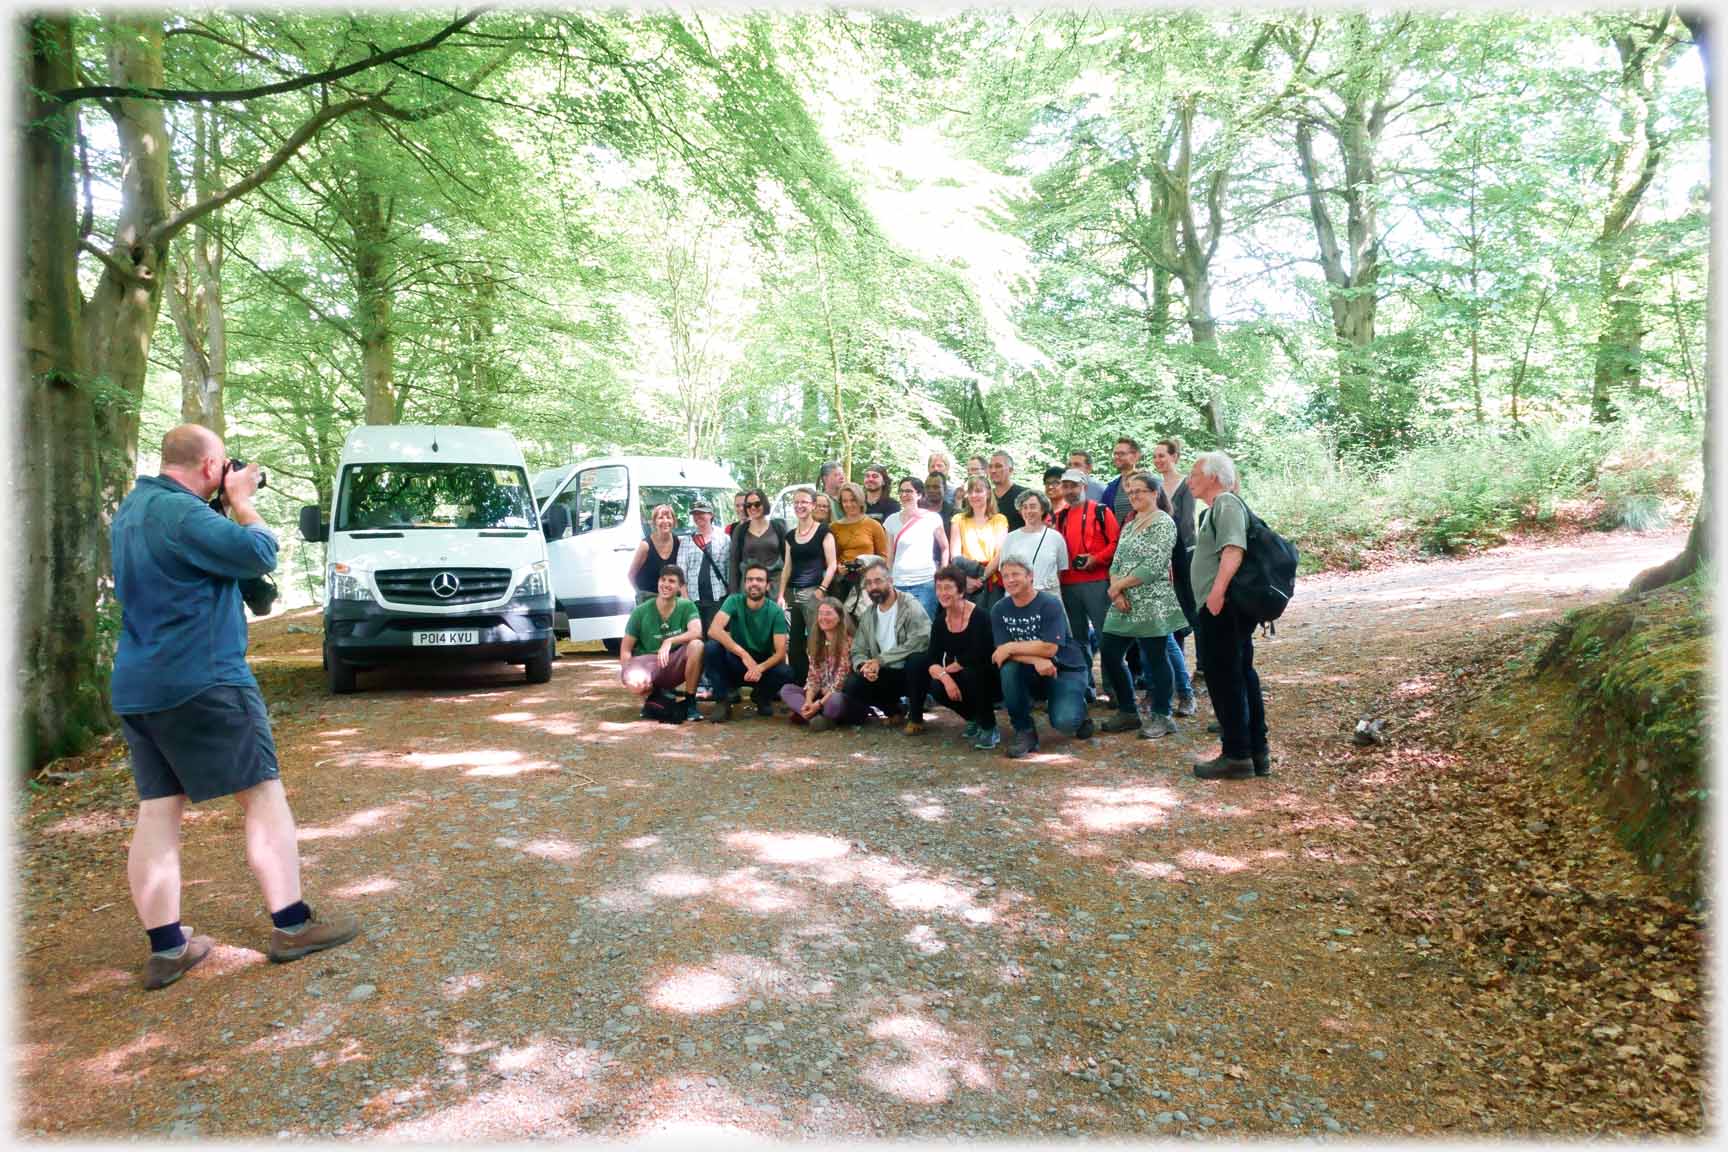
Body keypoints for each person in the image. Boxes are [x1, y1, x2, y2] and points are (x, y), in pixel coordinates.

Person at [111, 424, 358, 989]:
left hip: (138, 685)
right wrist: (242, 504)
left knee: (158, 810)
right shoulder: (183, 515)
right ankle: (292, 925)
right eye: (224, 468)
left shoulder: (132, 511)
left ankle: (167, 949)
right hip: (204, 680)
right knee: (263, 794)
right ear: (208, 467)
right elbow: (259, 552)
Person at [1187, 451, 1270, 779]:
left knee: (1226, 679)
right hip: (1221, 606)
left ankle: (1237, 754)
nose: (1190, 480)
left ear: (1214, 477)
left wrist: (1216, 593)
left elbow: (1234, 549)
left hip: (1222, 607)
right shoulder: (1215, 509)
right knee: (1239, 674)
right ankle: (1255, 751)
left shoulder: (1226, 503)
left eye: (1195, 474)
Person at [1098, 472, 1189, 737]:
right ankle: (1128, 711)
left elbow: (1153, 566)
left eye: (1140, 491)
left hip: (1152, 601)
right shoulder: (1129, 523)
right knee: (1110, 652)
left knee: (1156, 657)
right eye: (1131, 492)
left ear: (1154, 493)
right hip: (1123, 600)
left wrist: (1118, 586)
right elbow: (1116, 561)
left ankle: (1163, 715)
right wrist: (1116, 592)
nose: (1135, 496)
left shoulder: (1164, 523)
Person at [991, 557, 1094, 758]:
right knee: (1008, 669)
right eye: (1005, 576)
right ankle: (1024, 731)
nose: (1010, 580)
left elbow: (1049, 648)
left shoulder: (1049, 604)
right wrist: (1036, 660)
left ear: (1030, 576)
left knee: (1065, 722)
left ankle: (1079, 712)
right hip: (1032, 668)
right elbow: (1000, 653)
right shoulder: (1000, 609)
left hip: (1065, 668)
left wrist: (1012, 646)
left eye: (1016, 574)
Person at [823, 560, 931, 730]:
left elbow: (920, 640)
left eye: (878, 581)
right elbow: (858, 649)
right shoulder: (868, 615)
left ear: (890, 581)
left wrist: (880, 660)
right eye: (869, 583)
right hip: (885, 673)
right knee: (853, 684)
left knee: (917, 660)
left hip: (909, 672)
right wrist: (864, 666)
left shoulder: (910, 605)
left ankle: (916, 718)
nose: (873, 587)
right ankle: (893, 711)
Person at [905, 565, 1000, 749]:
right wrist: (945, 678)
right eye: (939, 588)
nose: (942, 593)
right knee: (933, 680)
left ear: (961, 591)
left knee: (972, 672)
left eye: (948, 588)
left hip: (988, 675)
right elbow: (932, 657)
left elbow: (986, 652)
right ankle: (974, 718)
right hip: (958, 672)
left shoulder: (980, 616)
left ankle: (989, 726)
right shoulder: (941, 621)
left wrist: (960, 664)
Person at [1054, 468, 1121, 703]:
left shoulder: (1101, 511)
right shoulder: (1060, 516)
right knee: (1078, 638)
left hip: (1096, 581)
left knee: (1106, 635)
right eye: (1066, 487)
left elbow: (1115, 543)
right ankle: (1085, 687)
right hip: (1069, 584)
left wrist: (1096, 559)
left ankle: (1114, 689)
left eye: (1074, 486)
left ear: (1084, 486)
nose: (1070, 491)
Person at [704, 564, 795, 722]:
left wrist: (759, 667)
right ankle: (722, 701)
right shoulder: (734, 600)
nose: (754, 583)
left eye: (759, 580)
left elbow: (780, 652)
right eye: (750, 579)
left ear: (767, 586)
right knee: (711, 647)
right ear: (745, 584)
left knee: (785, 672)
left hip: (761, 665)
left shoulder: (775, 611)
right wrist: (743, 654)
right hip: (736, 660)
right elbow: (713, 630)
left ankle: (761, 697)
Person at [618, 563, 704, 721]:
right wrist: (627, 672)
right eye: (663, 579)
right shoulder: (641, 611)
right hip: (648, 663)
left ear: (680, 587)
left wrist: (670, 640)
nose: (665, 584)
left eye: (671, 581)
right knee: (635, 683)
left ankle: (690, 701)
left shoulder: (687, 606)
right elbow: (625, 649)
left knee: (697, 645)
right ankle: (653, 695)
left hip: (674, 662)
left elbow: (696, 632)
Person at [1152, 437, 1199, 712]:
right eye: (1155, 456)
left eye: (1163, 456)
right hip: (1160, 557)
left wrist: (1169, 549)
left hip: (1182, 555)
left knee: (1185, 613)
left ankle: (1194, 677)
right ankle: (1170, 678)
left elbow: (1186, 523)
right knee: (1167, 619)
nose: (1159, 461)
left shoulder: (1185, 486)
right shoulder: (1155, 486)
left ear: (1174, 457)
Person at [780, 487, 839, 685]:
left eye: (804, 502)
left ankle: (822, 685)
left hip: (813, 593)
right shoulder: (790, 535)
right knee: (795, 644)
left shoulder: (824, 531)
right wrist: (781, 594)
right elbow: (787, 567)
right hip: (792, 594)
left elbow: (832, 564)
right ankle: (799, 686)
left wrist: (822, 589)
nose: (800, 506)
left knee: (817, 641)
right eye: (796, 502)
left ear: (813, 505)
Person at [780, 596, 857, 729]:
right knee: (787, 690)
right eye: (821, 614)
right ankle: (812, 715)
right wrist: (809, 701)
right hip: (821, 695)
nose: (823, 618)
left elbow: (840, 682)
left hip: (839, 696)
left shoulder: (848, 642)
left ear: (839, 617)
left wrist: (819, 704)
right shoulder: (816, 641)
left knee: (835, 700)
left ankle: (820, 715)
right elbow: (813, 677)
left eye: (828, 613)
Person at [883, 476, 949, 622]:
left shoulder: (932, 518)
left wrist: (942, 574)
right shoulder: (891, 521)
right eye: (901, 491)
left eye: (909, 491)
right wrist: (889, 580)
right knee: (900, 627)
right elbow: (890, 555)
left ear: (919, 494)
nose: (904, 495)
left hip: (925, 582)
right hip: (899, 582)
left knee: (925, 627)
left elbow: (945, 547)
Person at [990, 490, 1068, 595]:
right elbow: (1004, 570)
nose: (1028, 511)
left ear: (1042, 509)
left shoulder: (1056, 538)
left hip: (1048, 597)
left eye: (1033, 506)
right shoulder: (1010, 538)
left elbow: (1060, 571)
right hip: (1018, 597)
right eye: (1024, 507)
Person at [829, 481, 889, 613]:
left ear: (861, 500)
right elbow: (831, 557)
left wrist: (869, 567)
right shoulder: (834, 527)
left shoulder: (873, 525)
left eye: (853, 500)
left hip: (868, 582)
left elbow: (884, 557)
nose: (849, 504)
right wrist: (839, 568)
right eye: (845, 501)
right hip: (844, 582)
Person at [950, 475, 1008, 609]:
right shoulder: (958, 519)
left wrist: (981, 579)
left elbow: (1000, 554)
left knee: (990, 621)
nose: (974, 495)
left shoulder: (999, 520)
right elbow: (955, 556)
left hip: (992, 576)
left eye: (978, 491)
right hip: (965, 575)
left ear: (988, 493)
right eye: (970, 492)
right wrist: (966, 581)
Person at [728, 488, 786, 596]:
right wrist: (733, 593)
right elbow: (734, 562)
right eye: (748, 505)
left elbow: (788, 560)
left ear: (764, 504)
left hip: (775, 587)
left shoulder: (778, 527)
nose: (753, 508)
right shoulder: (740, 530)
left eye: (757, 504)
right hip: (750, 587)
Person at [627, 503, 684, 606]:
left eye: (668, 517)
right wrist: (641, 595)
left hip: (671, 598)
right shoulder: (645, 546)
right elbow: (631, 575)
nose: (665, 521)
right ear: (654, 522)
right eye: (661, 518)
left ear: (674, 521)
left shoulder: (678, 542)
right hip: (649, 598)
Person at [1100, 437, 1143, 526]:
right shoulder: (1111, 488)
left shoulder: (1148, 483)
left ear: (1136, 456)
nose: (1116, 457)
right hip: (1119, 537)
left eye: (1121, 454)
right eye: (1115, 454)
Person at [988, 451, 1031, 531]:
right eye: (990, 467)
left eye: (998, 466)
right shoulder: (986, 497)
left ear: (1010, 470)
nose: (993, 470)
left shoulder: (1025, 496)